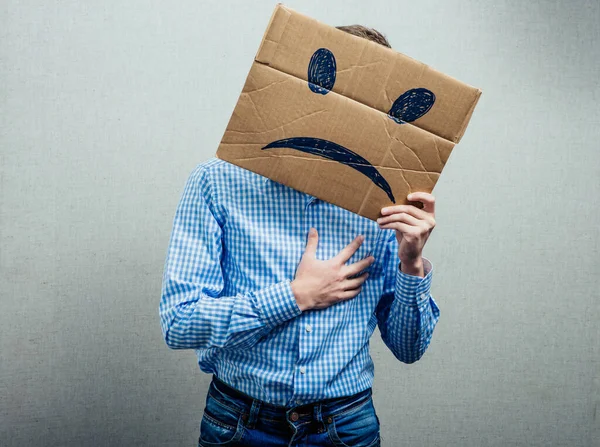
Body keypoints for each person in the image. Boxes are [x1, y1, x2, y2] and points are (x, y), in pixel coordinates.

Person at [160, 25, 440, 447]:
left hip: (345, 425)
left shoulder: (388, 208)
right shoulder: (218, 182)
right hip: (239, 421)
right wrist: (294, 296)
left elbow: (408, 348)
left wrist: (411, 263)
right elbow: (180, 324)